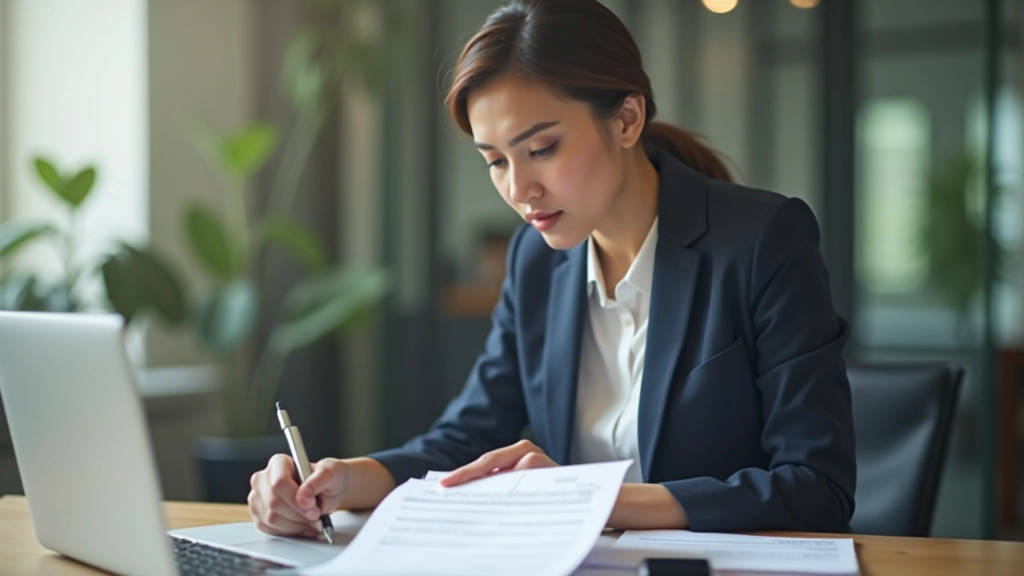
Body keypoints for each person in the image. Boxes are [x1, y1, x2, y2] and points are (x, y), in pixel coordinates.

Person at [248, 0, 855, 537]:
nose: (521, 189)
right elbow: (467, 435)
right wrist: (336, 481)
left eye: (542, 149)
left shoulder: (761, 242)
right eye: (496, 161)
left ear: (625, 120)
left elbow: (815, 487)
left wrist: (586, 499)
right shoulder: (534, 261)